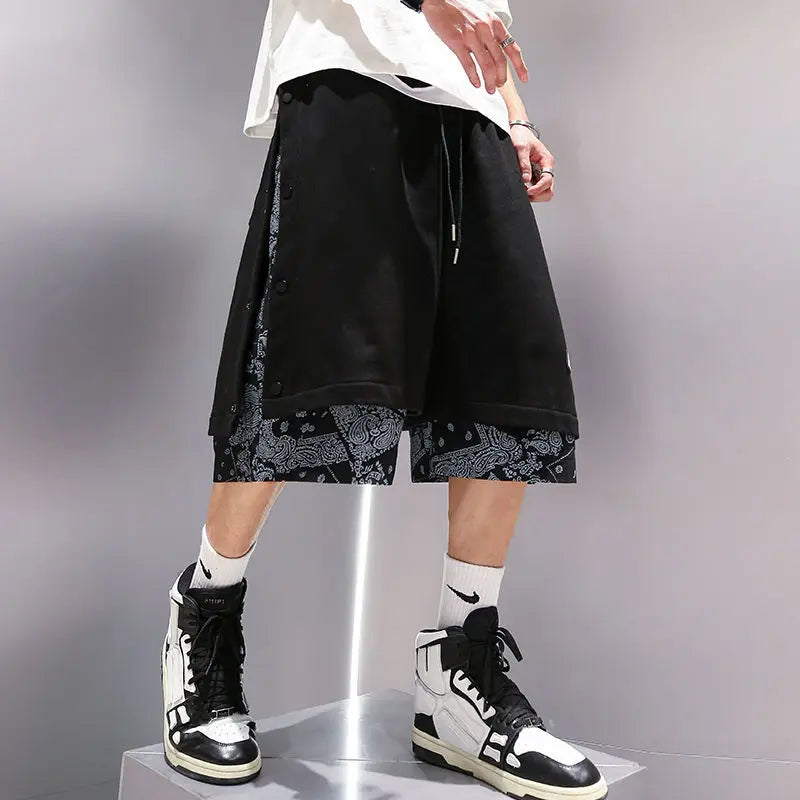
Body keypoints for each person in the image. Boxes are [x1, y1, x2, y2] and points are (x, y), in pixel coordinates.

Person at [160, 1, 606, 798]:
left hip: (468, 111)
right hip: (347, 73)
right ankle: (206, 614)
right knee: (303, 373)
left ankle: (458, 674)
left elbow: (481, 14)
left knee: (501, 387)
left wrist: (514, 115)